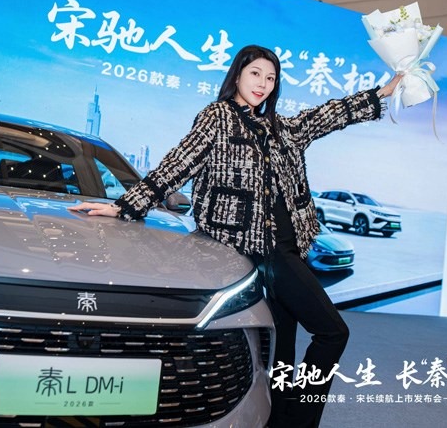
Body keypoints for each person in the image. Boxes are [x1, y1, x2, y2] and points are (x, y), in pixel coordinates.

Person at [69, 44, 402, 427]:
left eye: (271, 78)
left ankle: (279, 420)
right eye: (255, 73)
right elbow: (177, 164)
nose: (263, 83)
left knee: (283, 349)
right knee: (333, 332)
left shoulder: (281, 128)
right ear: (238, 75)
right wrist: (126, 206)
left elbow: (328, 116)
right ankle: (298, 421)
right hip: (262, 252)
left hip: (289, 248)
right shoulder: (218, 118)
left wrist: (382, 92)